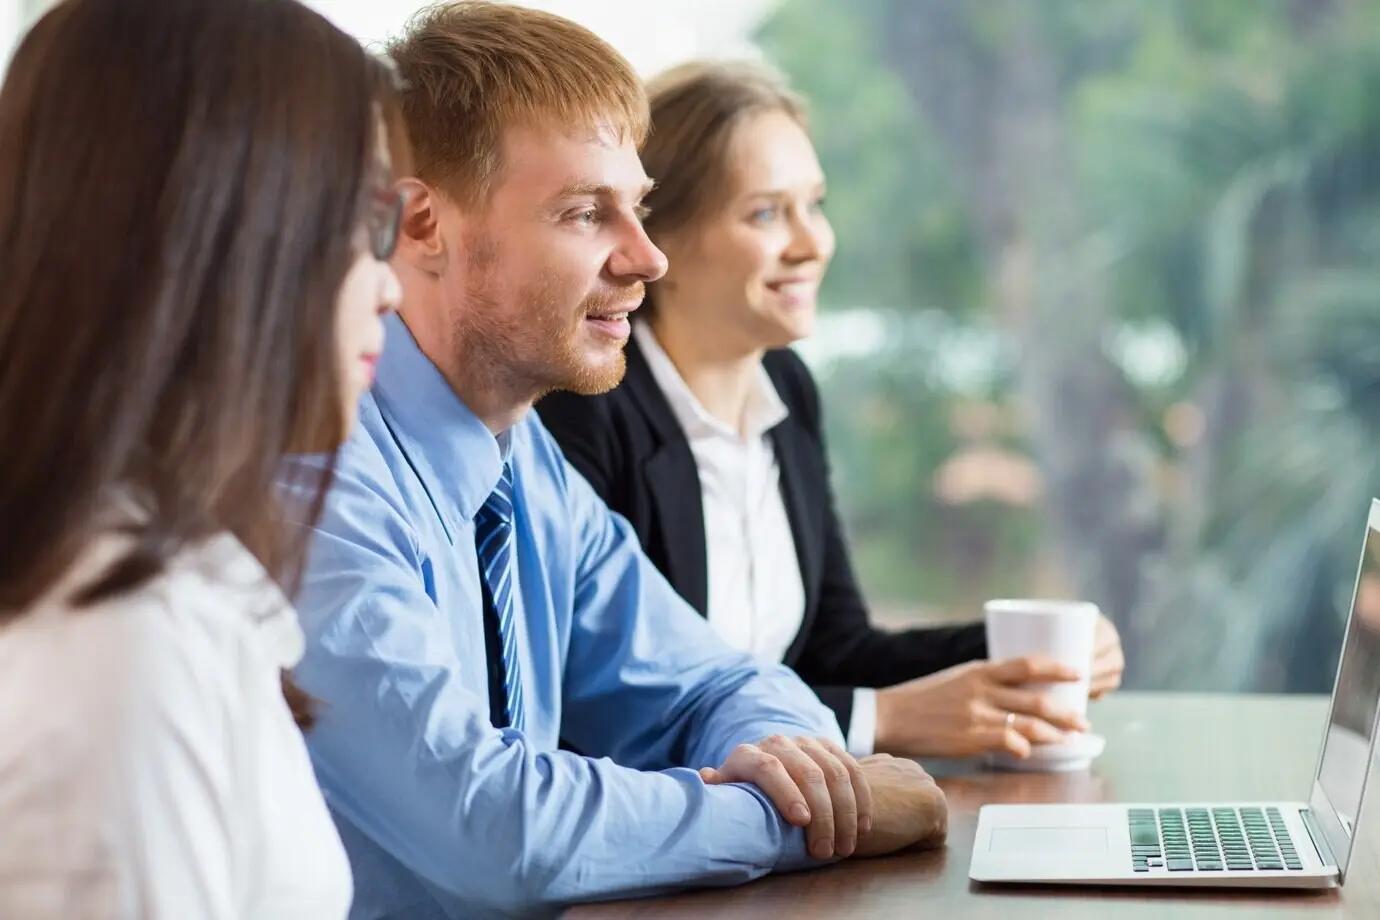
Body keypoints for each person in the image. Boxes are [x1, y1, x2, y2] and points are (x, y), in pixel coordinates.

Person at [287, 3, 947, 918]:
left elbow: (716, 683)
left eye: (635, 208)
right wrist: (805, 817)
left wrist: (799, 767)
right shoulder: (319, 475)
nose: (647, 258)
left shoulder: (524, 464)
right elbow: (496, 831)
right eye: (584, 213)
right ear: (424, 224)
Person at [537, 60, 1125, 762]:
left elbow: (834, 651)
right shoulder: (585, 410)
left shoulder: (786, 387)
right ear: (659, 238)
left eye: (813, 204)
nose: (814, 243)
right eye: (765, 212)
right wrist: (877, 720)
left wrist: (1031, 653)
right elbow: (618, 699)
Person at [0, 0, 403, 916]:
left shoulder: (151, 575)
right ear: (232, 227)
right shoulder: (118, 638)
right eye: (367, 222)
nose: (389, 284)